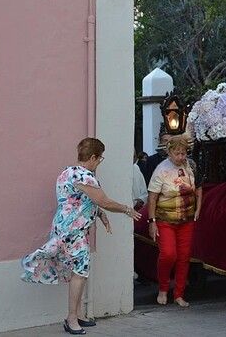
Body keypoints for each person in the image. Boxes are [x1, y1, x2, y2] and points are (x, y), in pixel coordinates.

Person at [21, 138, 141, 335]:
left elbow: (79, 200)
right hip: (74, 232)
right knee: (80, 273)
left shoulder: (67, 172)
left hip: (65, 227)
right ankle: (71, 318)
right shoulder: (85, 176)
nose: (99, 162)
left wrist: (100, 215)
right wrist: (127, 209)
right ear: (92, 157)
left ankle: (77, 314)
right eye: (100, 158)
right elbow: (103, 201)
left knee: (80, 272)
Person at [147, 135, 203, 307]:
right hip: (166, 219)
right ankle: (163, 288)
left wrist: (198, 208)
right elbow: (152, 197)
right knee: (168, 254)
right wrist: (152, 221)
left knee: (184, 257)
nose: (180, 157)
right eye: (177, 153)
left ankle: (179, 293)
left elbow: (199, 187)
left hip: (186, 219)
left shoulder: (191, 166)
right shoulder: (161, 170)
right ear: (169, 152)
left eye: (183, 153)